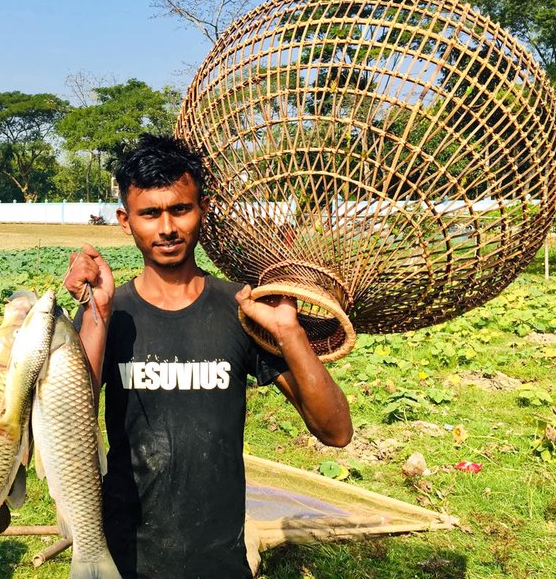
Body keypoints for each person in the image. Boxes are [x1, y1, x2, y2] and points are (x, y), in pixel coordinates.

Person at [63, 133, 353, 579]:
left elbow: (335, 432)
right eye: (149, 214)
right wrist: (96, 315)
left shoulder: (238, 310)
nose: (167, 228)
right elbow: (68, 418)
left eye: (180, 209)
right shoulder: (110, 313)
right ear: (125, 220)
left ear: (202, 211)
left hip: (218, 558)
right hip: (123, 555)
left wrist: (290, 333)